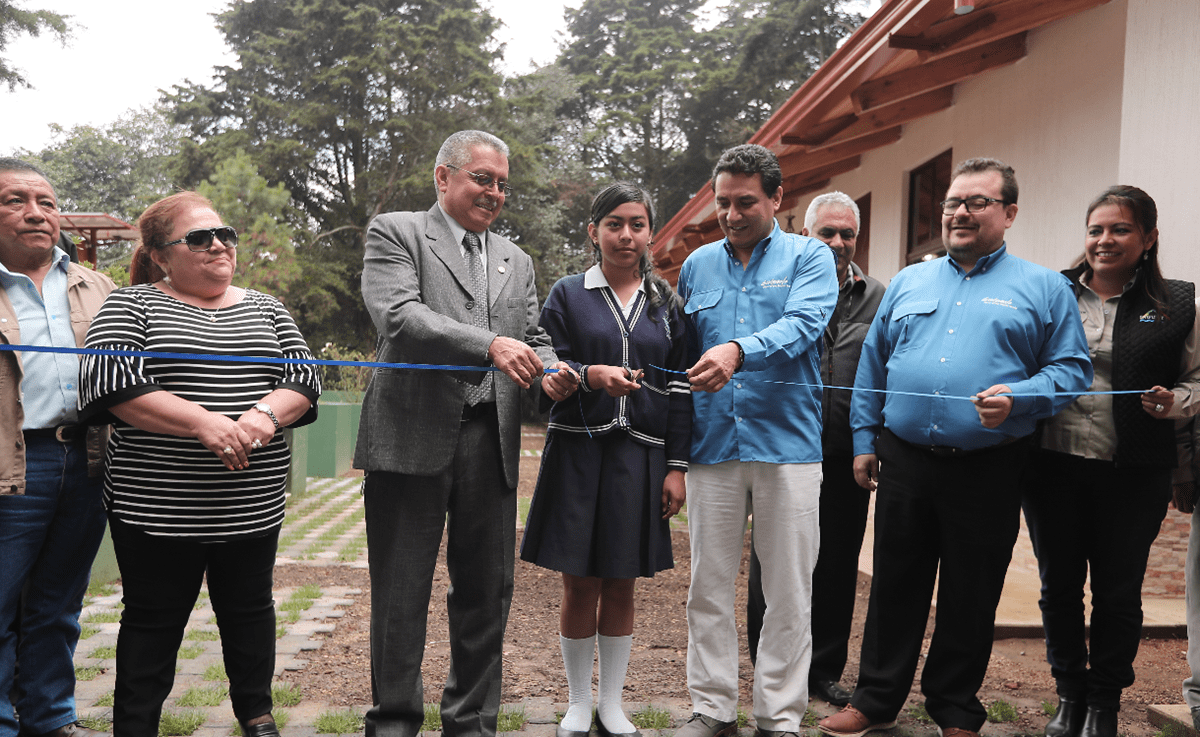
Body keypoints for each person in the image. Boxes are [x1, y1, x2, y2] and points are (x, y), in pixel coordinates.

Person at [819, 157, 1092, 737]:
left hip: (990, 465)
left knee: (971, 590)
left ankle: (955, 708)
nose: (960, 212)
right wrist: (865, 440)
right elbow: (873, 365)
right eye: (951, 203)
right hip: (905, 458)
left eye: (977, 202)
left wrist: (1021, 397)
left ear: (1010, 213)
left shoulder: (1044, 287)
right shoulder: (911, 282)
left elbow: (1071, 370)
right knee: (894, 583)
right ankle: (874, 701)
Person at [77, 191, 321, 737]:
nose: (219, 245)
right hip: (158, 510)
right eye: (199, 238)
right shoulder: (131, 305)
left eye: (225, 235)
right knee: (151, 622)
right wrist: (203, 423)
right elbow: (111, 385)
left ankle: (258, 719)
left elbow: (304, 379)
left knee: (250, 613)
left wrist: (262, 416)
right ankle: (136, 726)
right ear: (162, 255)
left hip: (251, 508)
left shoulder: (266, 307)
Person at [355, 130, 573, 737]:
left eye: (503, 183)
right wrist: (490, 345)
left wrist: (551, 372)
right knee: (401, 592)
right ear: (443, 177)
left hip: (491, 440)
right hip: (409, 436)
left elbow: (533, 338)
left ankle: (471, 722)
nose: (495, 192)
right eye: (483, 178)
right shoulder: (396, 233)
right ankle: (395, 721)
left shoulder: (516, 259)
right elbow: (400, 317)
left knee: (487, 592)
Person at [1022, 186, 1200, 737]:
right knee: (1058, 588)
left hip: (1134, 471)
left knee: (1119, 594)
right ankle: (1069, 696)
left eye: (1120, 229)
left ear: (1147, 239)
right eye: (1096, 229)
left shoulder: (1177, 304)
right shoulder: (1050, 293)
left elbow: (1196, 380)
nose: (1105, 240)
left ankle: (1104, 704)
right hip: (1052, 464)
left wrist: (1177, 402)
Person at [675, 144, 838, 737]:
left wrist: (739, 351)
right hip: (712, 444)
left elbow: (804, 325)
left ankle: (779, 715)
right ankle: (712, 708)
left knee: (790, 590)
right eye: (723, 202)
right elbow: (681, 347)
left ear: (776, 198)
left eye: (746, 201)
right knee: (707, 587)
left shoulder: (811, 257)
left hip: (788, 446)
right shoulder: (696, 266)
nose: (733, 213)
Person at [520, 182, 691, 737]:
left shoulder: (667, 305)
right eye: (614, 223)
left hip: (640, 458)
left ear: (649, 233)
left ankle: (612, 703)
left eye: (637, 224)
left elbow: (682, 389)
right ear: (593, 231)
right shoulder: (568, 294)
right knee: (580, 581)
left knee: (622, 581)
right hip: (578, 451)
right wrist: (582, 377)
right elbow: (549, 368)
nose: (626, 235)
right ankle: (576, 701)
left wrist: (677, 466)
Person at [745, 191, 884, 707]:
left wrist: (870, 441)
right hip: (782, 444)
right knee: (774, 561)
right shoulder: (779, 288)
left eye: (847, 233)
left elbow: (883, 373)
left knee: (837, 562)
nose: (838, 243)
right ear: (806, 235)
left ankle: (822, 670)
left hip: (847, 451)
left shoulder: (878, 296)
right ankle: (769, 665)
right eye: (827, 232)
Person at [0, 159, 114, 737]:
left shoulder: (96, 286)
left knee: (58, 603)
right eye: (15, 199)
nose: (35, 212)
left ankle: (49, 719)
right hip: (12, 462)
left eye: (45, 200)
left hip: (89, 460)